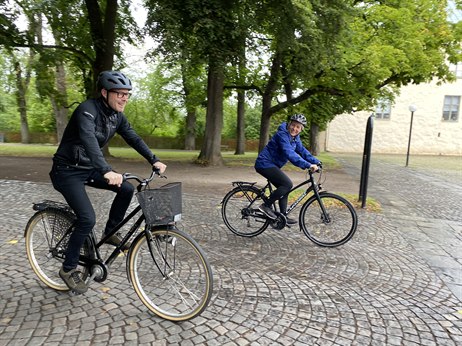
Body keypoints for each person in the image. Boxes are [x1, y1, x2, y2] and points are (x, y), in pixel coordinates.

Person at [49, 70, 167, 293]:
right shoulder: (87, 110)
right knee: (87, 219)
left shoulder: (117, 116)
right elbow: (88, 139)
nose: (124, 98)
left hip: (89, 168)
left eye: (127, 94)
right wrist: (105, 169)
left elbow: (133, 137)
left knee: (126, 189)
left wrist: (154, 159)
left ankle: (111, 232)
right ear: (104, 92)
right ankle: (68, 268)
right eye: (119, 93)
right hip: (66, 171)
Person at [254, 113, 321, 225]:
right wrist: (308, 165)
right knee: (287, 184)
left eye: (298, 127)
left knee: (284, 188)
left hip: (272, 165)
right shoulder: (282, 135)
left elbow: (302, 151)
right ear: (289, 124)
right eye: (293, 125)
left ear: (301, 130)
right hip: (264, 164)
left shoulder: (295, 138)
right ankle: (266, 206)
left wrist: (316, 161)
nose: (294, 128)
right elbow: (289, 153)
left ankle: (283, 216)